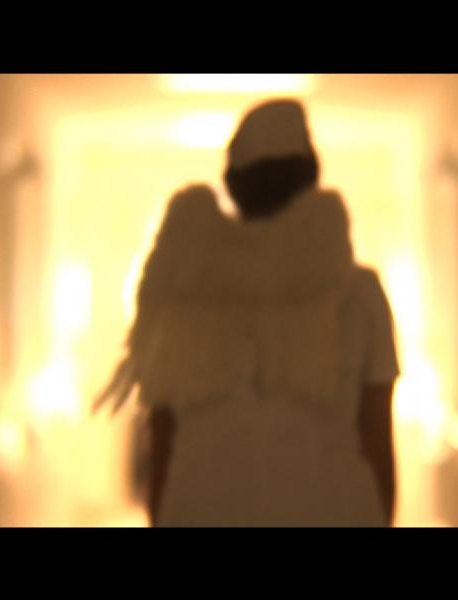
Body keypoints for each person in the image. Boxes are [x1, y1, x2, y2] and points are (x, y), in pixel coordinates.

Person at [96, 99, 400, 527]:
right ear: (312, 179)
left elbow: (162, 444)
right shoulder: (359, 295)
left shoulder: (182, 292)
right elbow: (377, 444)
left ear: (232, 187)